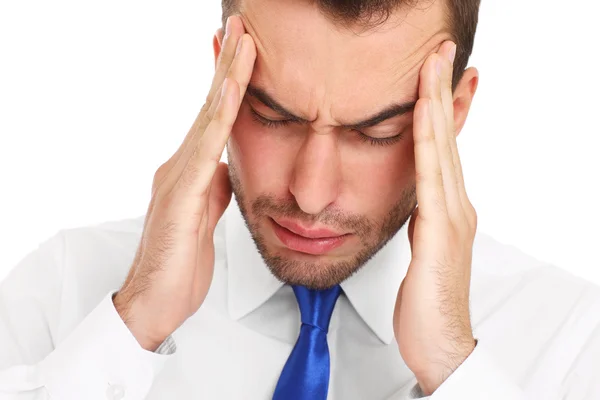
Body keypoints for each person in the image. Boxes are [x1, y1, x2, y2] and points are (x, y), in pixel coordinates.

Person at [1, 0, 599, 399]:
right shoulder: (65, 293)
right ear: (222, 82)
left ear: (455, 110)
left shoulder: (571, 338)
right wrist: (131, 327)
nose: (309, 193)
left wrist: (452, 366)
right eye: (271, 115)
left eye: (376, 132)